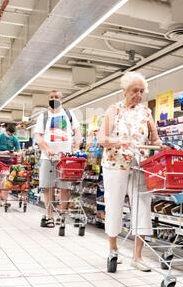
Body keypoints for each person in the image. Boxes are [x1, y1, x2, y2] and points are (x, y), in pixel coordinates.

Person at [98, 72, 166, 271]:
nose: (139, 94)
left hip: (140, 165)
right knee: (114, 204)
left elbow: (154, 139)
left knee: (142, 206)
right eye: (135, 91)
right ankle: (113, 249)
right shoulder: (114, 110)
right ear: (124, 91)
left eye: (142, 91)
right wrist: (119, 141)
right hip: (114, 164)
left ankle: (137, 257)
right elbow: (102, 138)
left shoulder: (146, 113)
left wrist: (160, 146)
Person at [34, 90, 82, 228]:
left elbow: (77, 132)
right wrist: (46, 148)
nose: (54, 99)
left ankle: (62, 215)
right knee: (47, 187)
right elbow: (38, 136)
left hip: (65, 157)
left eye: (56, 97)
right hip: (47, 157)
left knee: (64, 187)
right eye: (51, 97)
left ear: (62, 99)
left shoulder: (69, 114)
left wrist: (77, 147)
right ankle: (49, 216)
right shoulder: (43, 116)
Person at [0, 124, 21, 205]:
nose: (11, 136)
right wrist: (3, 152)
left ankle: (5, 200)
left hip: (9, 161)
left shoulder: (14, 138)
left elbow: (19, 151)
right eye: (9, 134)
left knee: (8, 180)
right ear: (6, 131)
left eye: (12, 134)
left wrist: (15, 153)